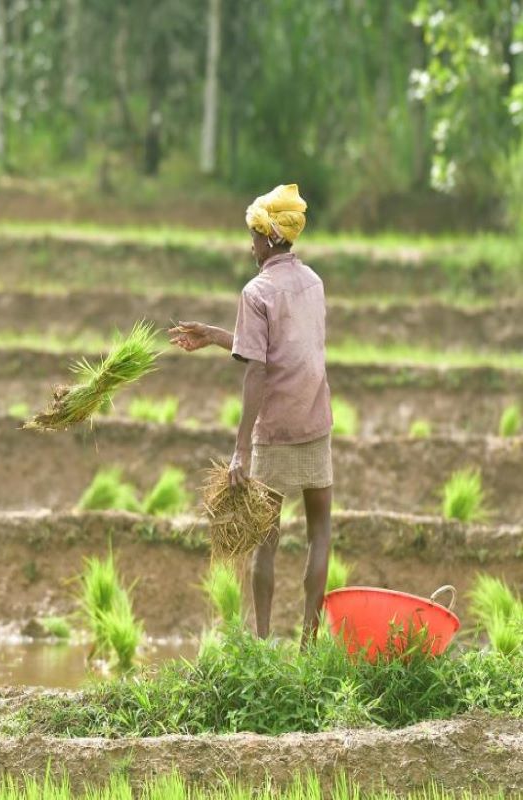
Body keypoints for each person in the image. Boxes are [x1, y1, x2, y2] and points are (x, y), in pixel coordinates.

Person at [169, 183, 333, 645]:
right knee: (321, 531)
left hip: (277, 430)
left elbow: (258, 370)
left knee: (267, 539)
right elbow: (284, 348)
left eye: (253, 235)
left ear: (268, 237)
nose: (250, 244)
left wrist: (241, 449)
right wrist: (215, 335)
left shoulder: (256, 290)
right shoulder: (314, 283)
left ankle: (262, 642)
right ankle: (308, 644)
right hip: (316, 419)